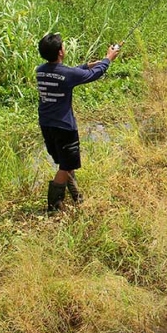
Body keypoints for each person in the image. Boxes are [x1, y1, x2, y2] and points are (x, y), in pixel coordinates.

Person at [36, 33, 120, 213]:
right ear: (60, 52)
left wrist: (86, 66)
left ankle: (77, 198)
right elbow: (94, 75)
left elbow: (66, 73)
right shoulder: (67, 74)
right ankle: (53, 208)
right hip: (64, 127)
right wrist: (108, 58)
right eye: (63, 47)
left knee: (65, 163)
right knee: (66, 166)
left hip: (46, 125)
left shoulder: (40, 71)